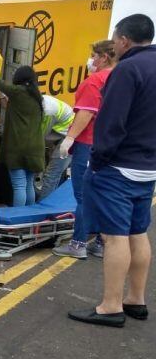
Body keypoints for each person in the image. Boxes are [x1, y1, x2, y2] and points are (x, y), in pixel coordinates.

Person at [68, 14, 156, 327]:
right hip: (148, 167)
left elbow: (112, 121)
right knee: (137, 232)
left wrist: (99, 159)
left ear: (123, 40)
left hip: (118, 167)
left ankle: (110, 306)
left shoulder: (128, 70)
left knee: (114, 236)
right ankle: (136, 298)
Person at [52, 39, 117, 259]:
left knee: (83, 195)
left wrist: (69, 139)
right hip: (111, 144)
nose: (91, 60)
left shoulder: (94, 82)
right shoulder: (120, 79)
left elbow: (85, 113)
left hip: (88, 144)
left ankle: (78, 243)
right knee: (102, 194)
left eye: (94, 55)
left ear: (104, 57)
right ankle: (99, 242)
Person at [0, 53, 45, 206]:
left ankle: (17, 218)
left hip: (19, 148)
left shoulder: (18, 91)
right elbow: (15, 109)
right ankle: (29, 218)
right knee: (28, 184)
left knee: (19, 185)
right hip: (35, 149)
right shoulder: (37, 97)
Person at [36, 95, 75, 200]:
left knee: (52, 174)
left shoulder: (48, 111)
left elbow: (40, 136)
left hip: (69, 138)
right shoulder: (38, 100)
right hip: (59, 134)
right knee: (52, 174)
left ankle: (43, 207)